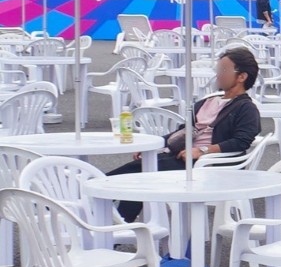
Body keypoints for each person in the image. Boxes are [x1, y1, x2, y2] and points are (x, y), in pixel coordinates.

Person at [107, 46, 262, 220]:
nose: (218, 74)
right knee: (129, 174)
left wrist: (202, 151)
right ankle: (111, 215)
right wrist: (153, 145)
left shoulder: (246, 108)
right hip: (181, 157)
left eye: (223, 69)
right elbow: (183, 131)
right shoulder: (207, 102)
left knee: (140, 175)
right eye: (218, 69)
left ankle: (117, 223)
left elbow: (241, 141)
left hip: (207, 166)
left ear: (242, 77)